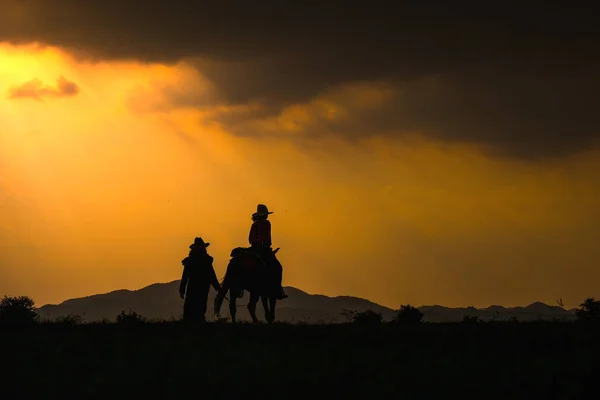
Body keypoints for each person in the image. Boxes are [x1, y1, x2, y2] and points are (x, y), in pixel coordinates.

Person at [248, 204, 288, 300]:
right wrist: (263, 243)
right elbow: (268, 239)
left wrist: (257, 242)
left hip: (254, 249)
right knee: (278, 267)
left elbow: (250, 239)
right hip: (263, 250)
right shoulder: (266, 223)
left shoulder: (255, 224)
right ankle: (278, 289)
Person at [179, 237, 221, 323]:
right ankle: (196, 320)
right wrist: (217, 287)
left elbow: (185, 276)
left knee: (193, 303)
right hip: (201, 285)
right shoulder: (205, 260)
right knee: (198, 303)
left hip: (196, 285)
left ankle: (193, 321)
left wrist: (182, 289)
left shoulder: (191, 261)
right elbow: (211, 274)